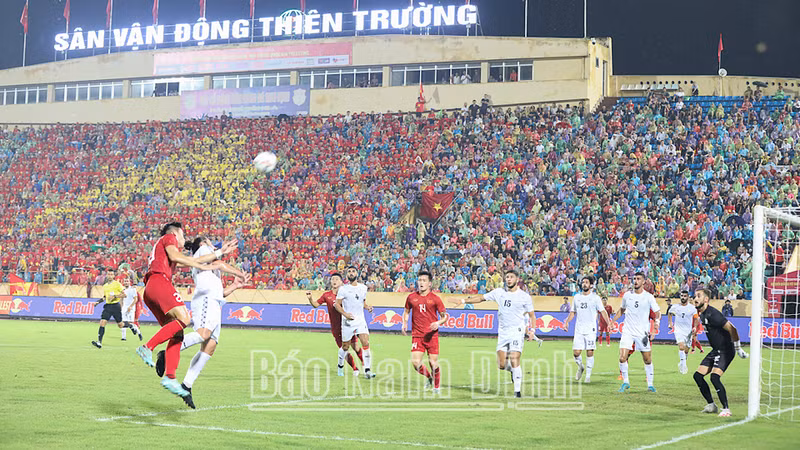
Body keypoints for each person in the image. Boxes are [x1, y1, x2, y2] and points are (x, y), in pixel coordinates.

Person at [134, 222, 237, 399]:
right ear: (175, 233)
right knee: (184, 318)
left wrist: (220, 252)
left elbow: (195, 261)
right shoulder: (169, 238)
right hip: (159, 281)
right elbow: (179, 257)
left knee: (177, 333)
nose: (183, 239)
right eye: (182, 235)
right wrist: (207, 263)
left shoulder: (166, 253)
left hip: (151, 288)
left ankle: (170, 377)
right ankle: (147, 347)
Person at [154, 237, 250, 409]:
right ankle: (166, 353)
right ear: (202, 243)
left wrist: (234, 286)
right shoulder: (203, 250)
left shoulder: (208, 257)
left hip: (214, 300)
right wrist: (239, 273)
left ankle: (186, 385)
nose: (212, 242)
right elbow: (220, 264)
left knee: (210, 346)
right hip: (206, 299)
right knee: (203, 334)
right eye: (208, 240)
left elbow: (220, 290)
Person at [452, 269, 537, 398]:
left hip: (517, 331)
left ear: (517, 279)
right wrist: (463, 301)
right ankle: (513, 372)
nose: (508, 279)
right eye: (507, 277)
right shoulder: (499, 293)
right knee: (502, 365)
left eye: (511, 277)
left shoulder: (524, 296)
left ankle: (517, 392)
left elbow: (532, 315)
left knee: (515, 358)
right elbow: (481, 298)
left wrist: (532, 330)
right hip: (503, 333)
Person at [692, 288, 748, 417]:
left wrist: (738, 348)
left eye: (698, 296)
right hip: (716, 350)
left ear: (706, 300)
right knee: (697, 376)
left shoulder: (713, 314)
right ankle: (711, 405)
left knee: (714, 378)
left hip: (725, 350)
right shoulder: (702, 313)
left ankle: (726, 409)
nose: (695, 298)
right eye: (695, 296)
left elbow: (732, 328)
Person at [306, 272, 364, 377]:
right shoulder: (326, 295)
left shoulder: (346, 293)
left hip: (348, 325)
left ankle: (366, 367)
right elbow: (315, 305)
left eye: (337, 279)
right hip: (336, 328)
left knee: (356, 347)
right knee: (344, 350)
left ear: (342, 282)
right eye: (333, 279)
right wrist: (310, 299)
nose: (334, 281)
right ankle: (355, 369)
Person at [611, 272, 661, 393]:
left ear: (643, 281)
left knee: (647, 359)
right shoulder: (627, 295)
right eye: (634, 279)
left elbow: (657, 312)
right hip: (628, 331)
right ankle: (626, 382)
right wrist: (612, 321)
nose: (635, 281)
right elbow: (622, 310)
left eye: (638, 279)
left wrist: (656, 325)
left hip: (642, 333)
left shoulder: (649, 297)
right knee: (622, 357)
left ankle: (650, 384)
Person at [402, 270, 449, 394]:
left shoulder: (435, 299)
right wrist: (405, 323)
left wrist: (438, 323)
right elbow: (406, 311)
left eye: (424, 281)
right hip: (417, 335)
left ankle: (436, 388)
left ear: (429, 284)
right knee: (416, 363)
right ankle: (429, 377)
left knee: (433, 363)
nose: (421, 283)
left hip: (431, 336)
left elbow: (445, 316)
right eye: (420, 280)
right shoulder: (411, 297)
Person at [563, 276, 611, 383]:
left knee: (589, 352)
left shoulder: (595, 298)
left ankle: (588, 376)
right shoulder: (576, 297)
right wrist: (566, 322)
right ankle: (581, 366)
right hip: (579, 329)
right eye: (583, 282)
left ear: (590, 285)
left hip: (591, 329)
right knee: (576, 352)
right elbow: (573, 312)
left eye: (586, 282)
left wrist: (609, 323)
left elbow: (603, 311)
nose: (584, 284)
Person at [334, 266, 376, 379]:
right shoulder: (343, 289)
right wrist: (345, 314)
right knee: (345, 346)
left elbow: (362, 302)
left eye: (353, 271)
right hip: (347, 321)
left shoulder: (363, 288)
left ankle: (367, 370)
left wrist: (367, 307)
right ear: (347, 275)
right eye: (349, 272)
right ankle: (340, 366)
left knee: (365, 342)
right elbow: (336, 305)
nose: (351, 273)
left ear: (357, 274)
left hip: (360, 320)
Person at [91, 269, 141, 348]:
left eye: (111, 274)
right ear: (107, 275)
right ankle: (99, 342)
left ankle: (131, 326)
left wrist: (114, 296)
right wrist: (98, 302)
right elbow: (105, 297)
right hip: (108, 306)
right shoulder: (105, 286)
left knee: (120, 325)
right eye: (109, 274)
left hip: (115, 306)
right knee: (102, 322)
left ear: (114, 276)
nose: (110, 276)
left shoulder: (117, 284)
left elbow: (124, 295)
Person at [668, 291, 699, 374]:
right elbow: (670, 313)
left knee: (686, 350)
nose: (683, 297)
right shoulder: (675, 307)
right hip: (678, 330)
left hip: (688, 331)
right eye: (681, 296)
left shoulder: (692, 308)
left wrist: (695, 327)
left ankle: (682, 363)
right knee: (681, 347)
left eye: (685, 296)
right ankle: (684, 366)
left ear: (688, 297)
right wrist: (670, 323)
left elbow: (696, 318)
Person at [121, 277, 143, 342]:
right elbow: (122, 299)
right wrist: (122, 306)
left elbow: (136, 299)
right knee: (123, 322)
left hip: (131, 308)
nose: (126, 282)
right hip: (124, 307)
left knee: (131, 322)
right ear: (123, 282)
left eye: (127, 281)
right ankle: (123, 337)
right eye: (125, 281)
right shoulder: (123, 290)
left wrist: (130, 306)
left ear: (129, 282)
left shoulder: (133, 289)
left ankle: (139, 333)